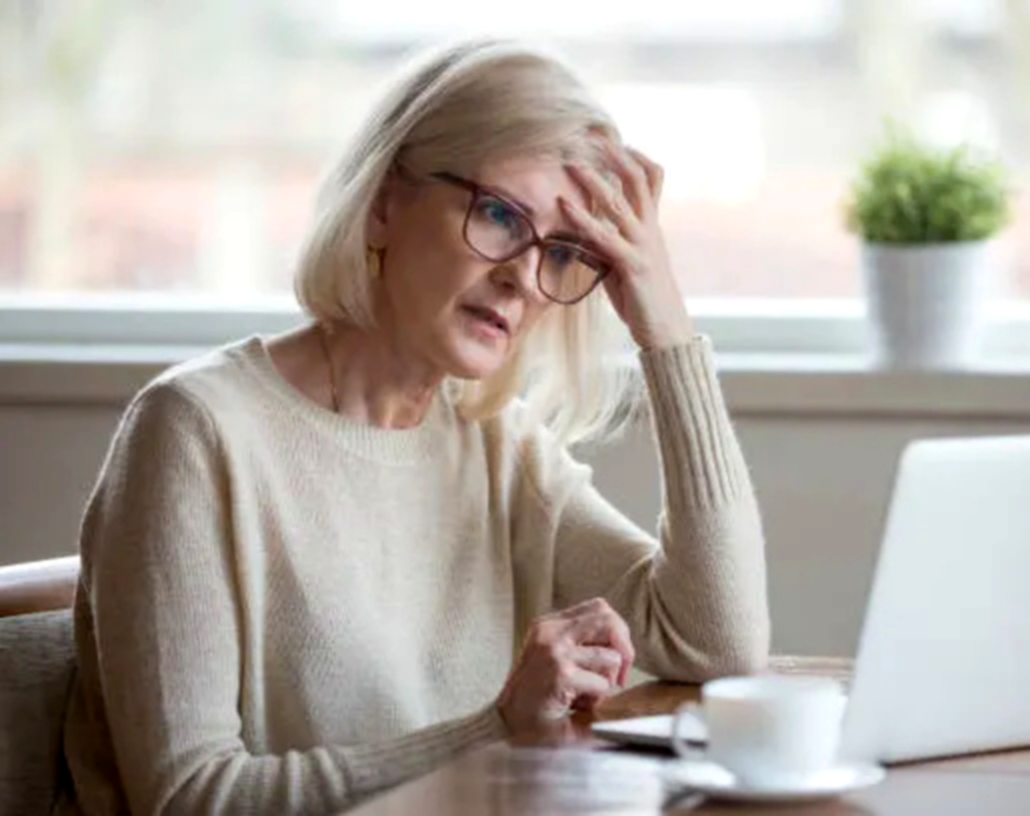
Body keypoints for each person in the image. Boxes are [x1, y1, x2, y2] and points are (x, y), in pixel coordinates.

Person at [59, 38, 770, 816]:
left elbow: (716, 641)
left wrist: (663, 325)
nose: (522, 279)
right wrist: (492, 732)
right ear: (382, 204)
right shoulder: (195, 432)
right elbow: (187, 799)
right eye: (499, 215)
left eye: (562, 253)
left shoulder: (501, 444)